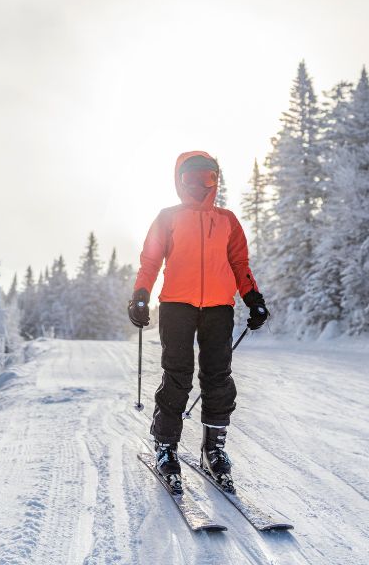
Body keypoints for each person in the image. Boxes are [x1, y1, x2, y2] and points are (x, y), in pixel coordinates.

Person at [127, 151, 268, 492]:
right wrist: (141, 295)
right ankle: (166, 447)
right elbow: (150, 260)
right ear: (180, 181)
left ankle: (213, 449)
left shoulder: (227, 220)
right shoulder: (168, 217)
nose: (201, 185)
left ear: (215, 181)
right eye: (192, 178)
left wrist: (253, 298)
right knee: (178, 376)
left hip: (219, 308)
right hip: (176, 306)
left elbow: (240, 264)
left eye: (208, 178)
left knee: (218, 378)